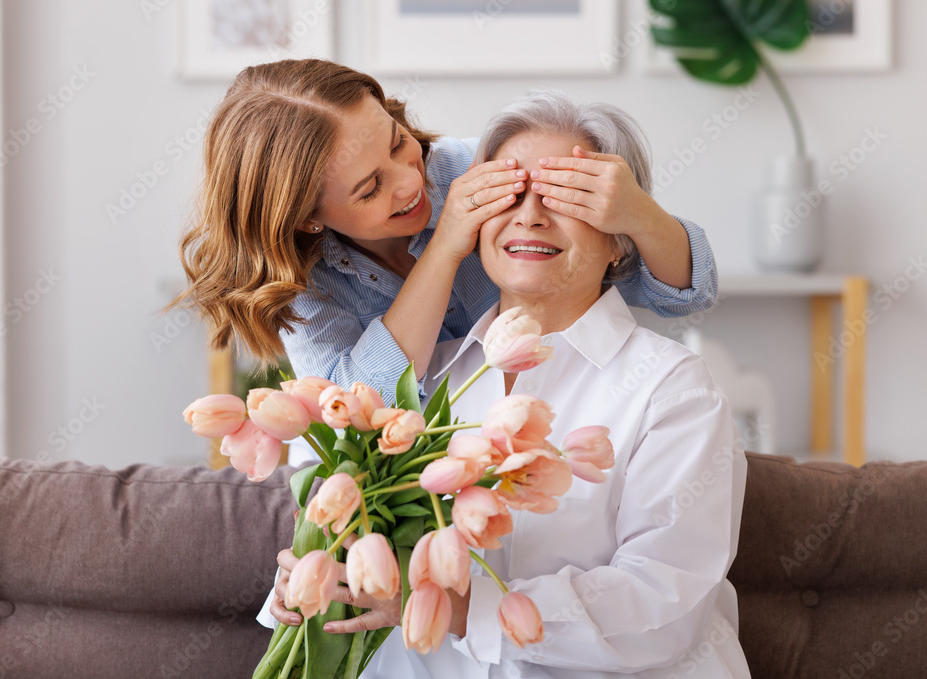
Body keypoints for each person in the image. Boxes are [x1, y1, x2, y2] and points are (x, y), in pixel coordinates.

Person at [264, 91, 750, 678]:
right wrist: (316, 572)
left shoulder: (671, 391)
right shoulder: (421, 385)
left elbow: (664, 606)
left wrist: (466, 610)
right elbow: (340, 440)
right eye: (509, 194)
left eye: (563, 196)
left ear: (621, 232)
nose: (529, 215)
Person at [168, 59, 719, 405]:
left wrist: (639, 215)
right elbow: (352, 410)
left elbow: (684, 294)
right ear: (307, 218)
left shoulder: (469, 170)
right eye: (369, 189)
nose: (411, 182)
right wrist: (448, 246)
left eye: (397, 141)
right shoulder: (301, 280)